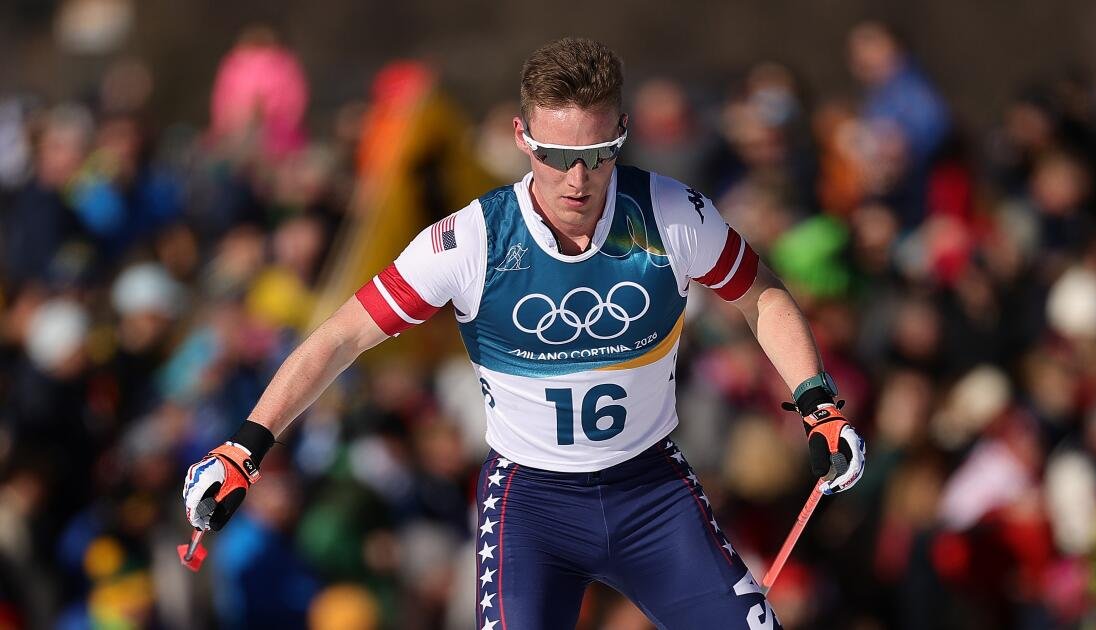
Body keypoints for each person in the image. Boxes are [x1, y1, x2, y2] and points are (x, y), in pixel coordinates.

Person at [182, 37, 866, 629]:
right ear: (521, 137)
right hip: (533, 508)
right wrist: (245, 448)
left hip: (651, 493)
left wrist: (818, 403)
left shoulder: (669, 214)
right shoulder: (472, 241)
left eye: (597, 154)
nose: (577, 180)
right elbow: (340, 336)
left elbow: (761, 296)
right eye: (555, 155)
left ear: (622, 133)